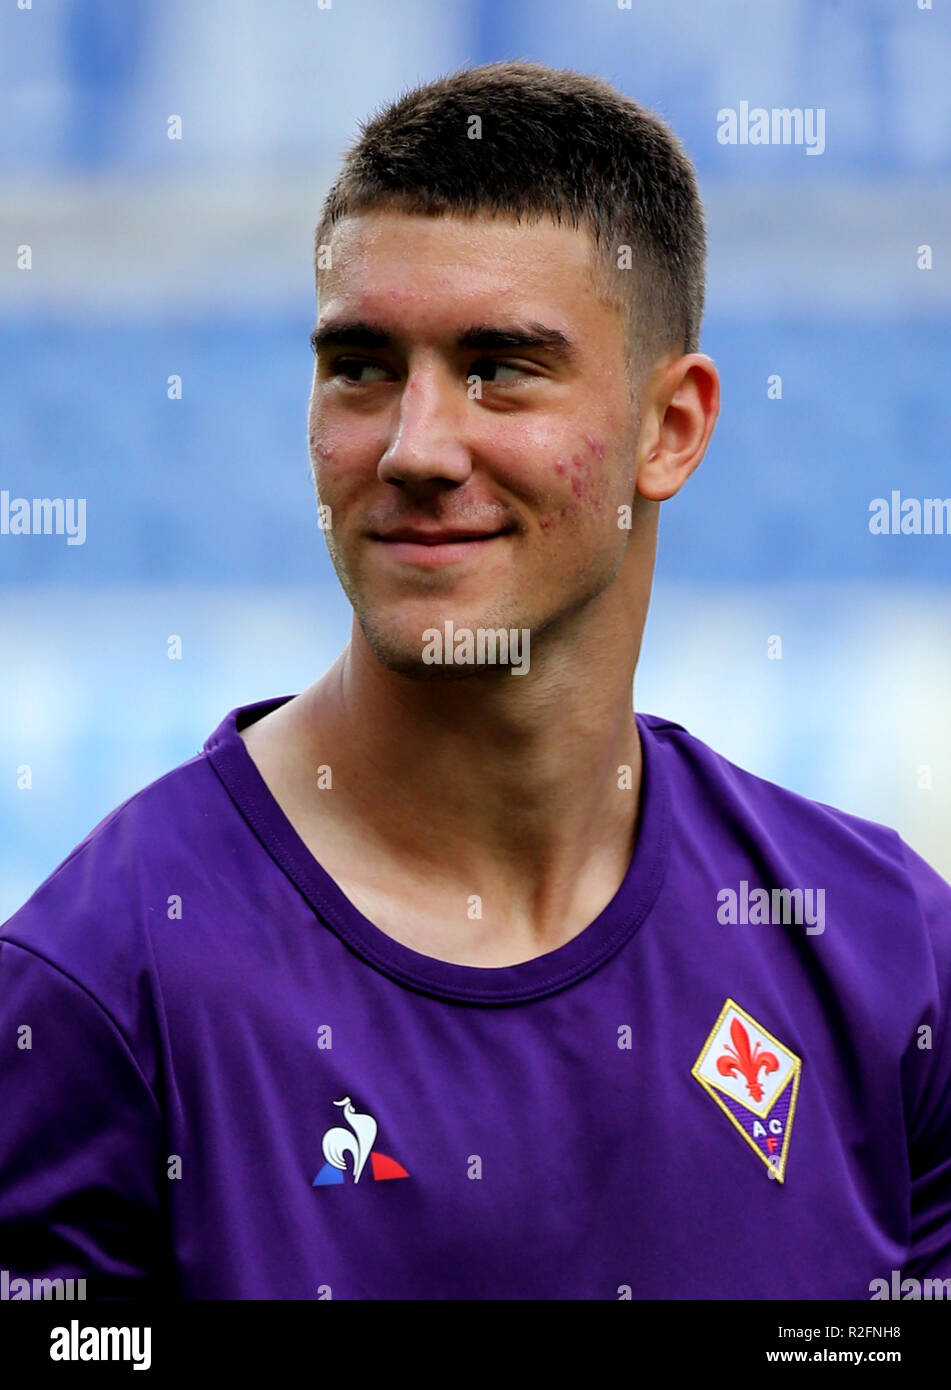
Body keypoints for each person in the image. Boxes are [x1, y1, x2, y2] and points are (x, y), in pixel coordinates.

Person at [2, 60, 949, 1301]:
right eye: (361, 365)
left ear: (672, 429)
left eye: (501, 366)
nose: (414, 448)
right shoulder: (101, 987)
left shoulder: (882, 951)